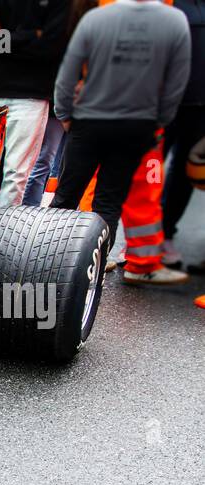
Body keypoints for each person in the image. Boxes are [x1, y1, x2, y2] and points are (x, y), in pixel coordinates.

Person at [52, 0, 192, 286]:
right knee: (109, 201)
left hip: (89, 120)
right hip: (137, 124)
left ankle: (49, 264)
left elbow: (68, 73)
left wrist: (64, 114)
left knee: (65, 198)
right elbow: (177, 83)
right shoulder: (175, 21)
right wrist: (159, 122)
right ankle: (91, 273)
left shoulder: (96, 18)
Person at [0, 0, 69, 207]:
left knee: (16, 174)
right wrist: (31, 36)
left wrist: (1, 37)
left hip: (30, 96)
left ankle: (3, 233)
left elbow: (50, 47)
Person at [162, 0, 205, 269]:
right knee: (149, 171)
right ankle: (142, 243)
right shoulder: (168, 4)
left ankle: (166, 233)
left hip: (200, 108)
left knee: (186, 173)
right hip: (165, 103)